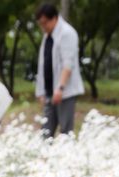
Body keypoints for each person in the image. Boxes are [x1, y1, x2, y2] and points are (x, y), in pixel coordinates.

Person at [35, 3, 84, 137]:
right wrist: (41, 91)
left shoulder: (67, 33)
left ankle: (67, 157)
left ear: (54, 18)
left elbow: (68, 64)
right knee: (45, 132)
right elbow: (43, 64)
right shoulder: (47, 36)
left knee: (65, 131)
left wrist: (60, 88)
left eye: (45, 23)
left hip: (64, 91)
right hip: (49, 91)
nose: (43, 27)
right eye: (41, 24)